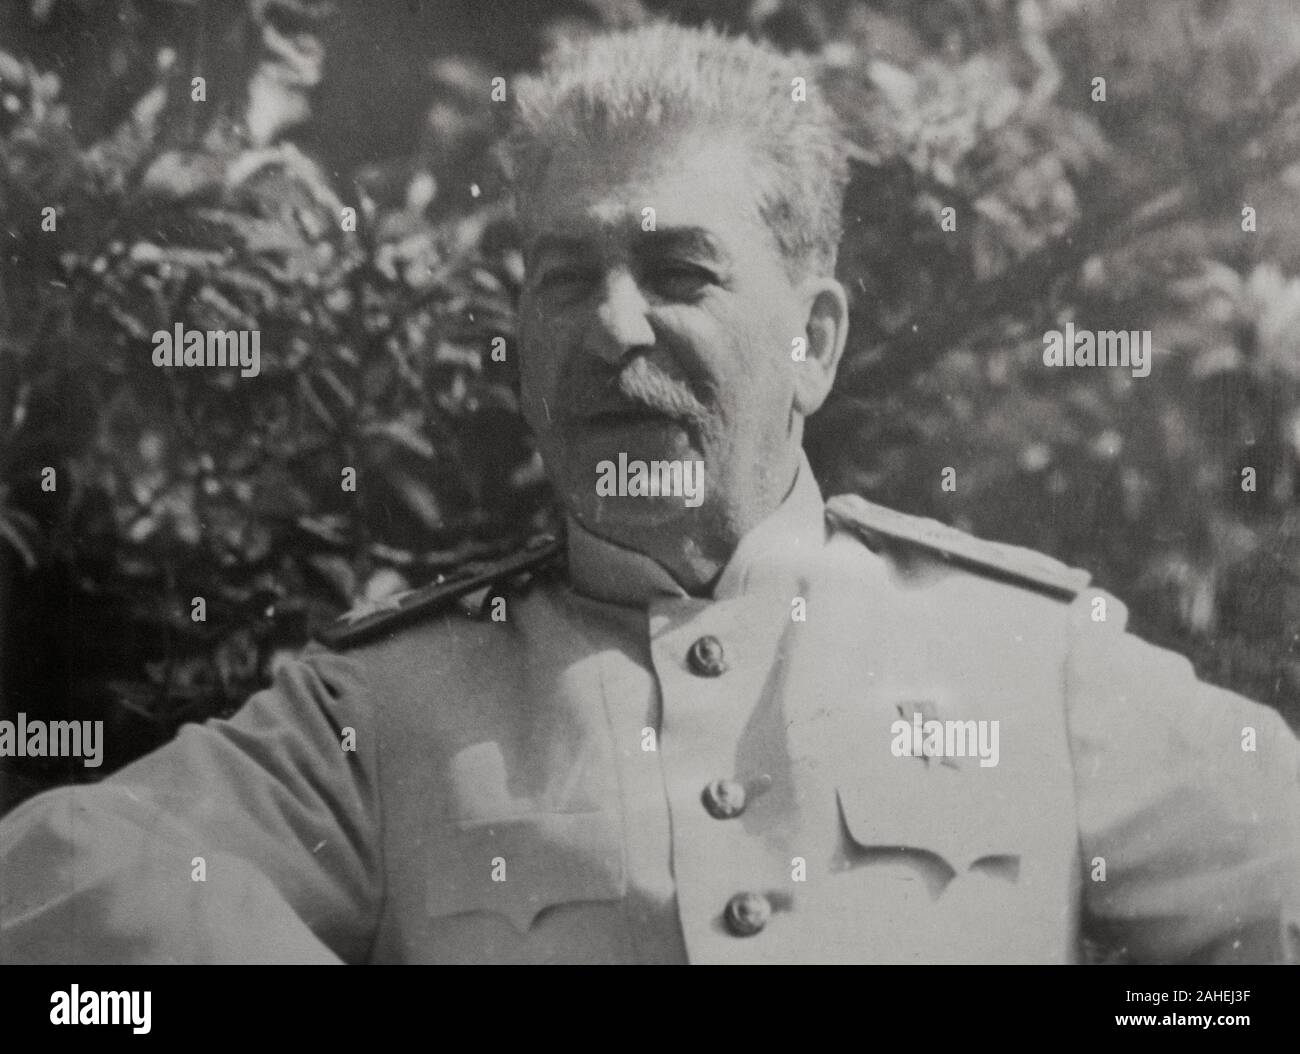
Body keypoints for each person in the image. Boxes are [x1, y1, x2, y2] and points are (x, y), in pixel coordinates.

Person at [2, 22, 1298, 965]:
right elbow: (50, 897)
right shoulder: (380, 713)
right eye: (566, 277)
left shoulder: (1029, 664)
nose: (614, 325)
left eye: (680, 271)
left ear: (816, 340)